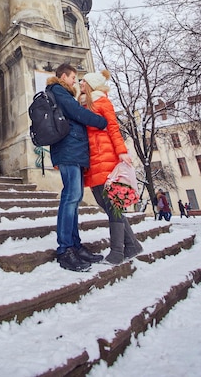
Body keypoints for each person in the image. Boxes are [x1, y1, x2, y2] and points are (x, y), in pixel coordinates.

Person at [46, 63, 108, 272]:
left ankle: (75, 245)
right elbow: (76, 113)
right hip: (68, 151)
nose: (75, 81)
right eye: (73, 77)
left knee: (74, 197)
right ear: (64, 76)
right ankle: (65, 249)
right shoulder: (58, 90)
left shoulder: (63, 92)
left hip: (73, 151)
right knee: (70, 197)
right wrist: (101, 122)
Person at [80, 70, 143, 265]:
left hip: (105, 158)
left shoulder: (102, 102)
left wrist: (122, 152)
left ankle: (117, 251)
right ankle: (132, 245)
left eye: (84, 81)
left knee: (112, 205)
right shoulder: (83, 103)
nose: (80, 82)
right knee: (104, 203)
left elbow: (114, 128)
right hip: (93, 160)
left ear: (91, 85)